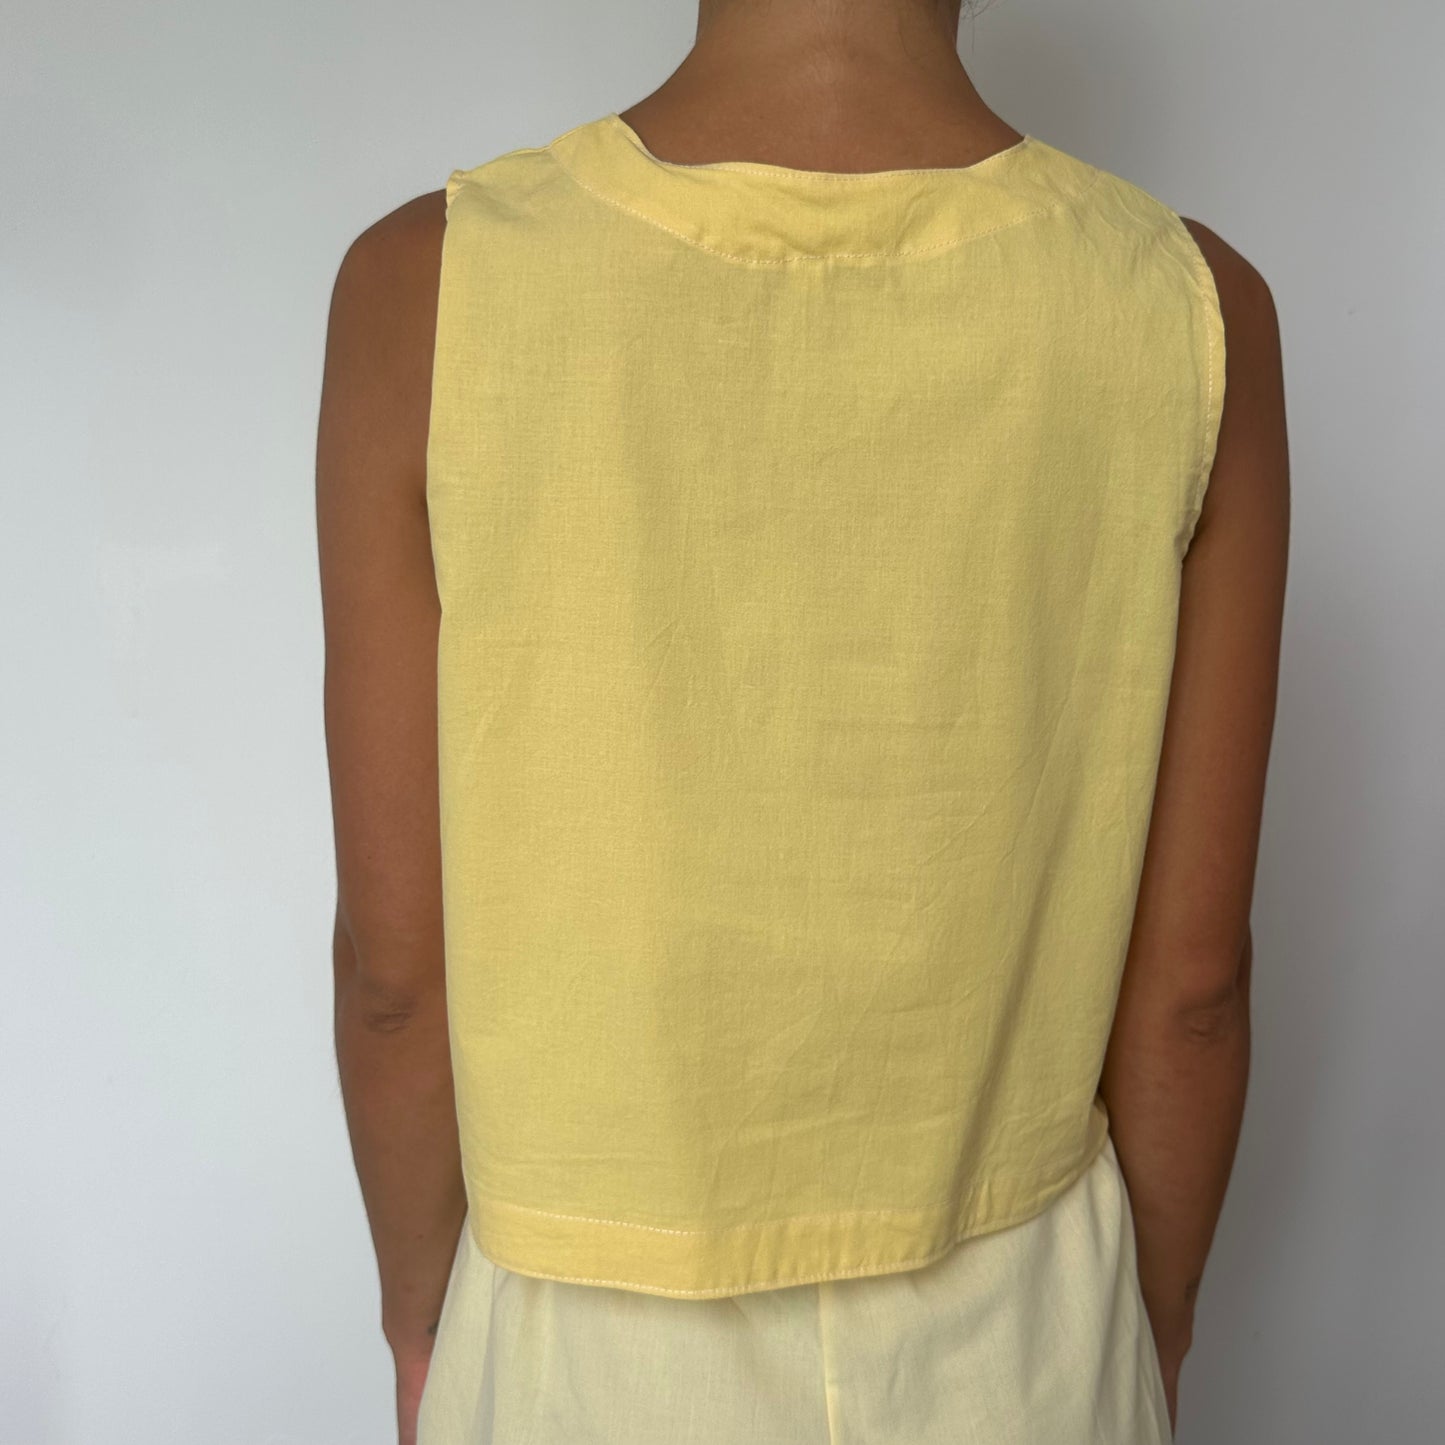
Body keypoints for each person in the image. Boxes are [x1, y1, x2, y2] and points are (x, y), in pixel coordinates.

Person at [315, 3, 1289, 1442]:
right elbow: (1194, 986)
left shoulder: (433, 282)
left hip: (582, 1341)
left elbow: (396, 972)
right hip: (1021, 1317)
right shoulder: (1189, 304)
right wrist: (1151, 1326)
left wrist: (420, 1325)